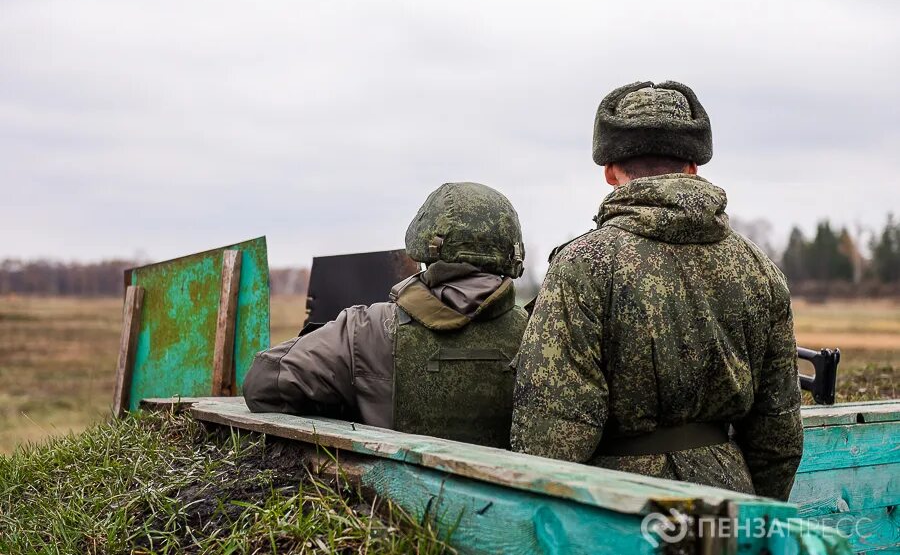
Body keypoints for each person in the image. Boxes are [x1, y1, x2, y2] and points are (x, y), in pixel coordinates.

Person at [510, 81, 803, 500]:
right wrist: (754, 513)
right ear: (692, 167)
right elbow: (779, 434)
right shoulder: (759, 269)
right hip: (728, 502)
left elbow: (551, 437)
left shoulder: (583, 266)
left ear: (610, 171)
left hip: (614, 508)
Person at [244, 182, 529, 448]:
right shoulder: (537, 335)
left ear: (423, 245)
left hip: (384, 501)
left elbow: (263, 384)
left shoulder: (367, 330)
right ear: (511, 253)